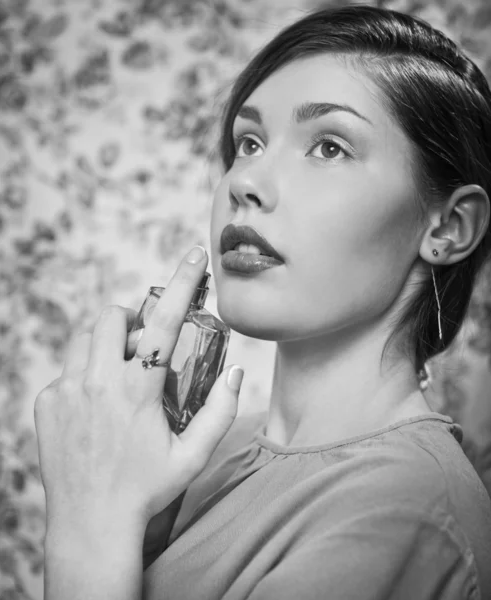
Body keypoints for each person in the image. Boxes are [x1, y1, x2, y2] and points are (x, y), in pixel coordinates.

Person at [34, 4, 491, 600]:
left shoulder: (404, 508)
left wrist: (87, 527)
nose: (245, 182)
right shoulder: (204, 449)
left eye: (329, 146)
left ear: (449, 227)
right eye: (248, 142)